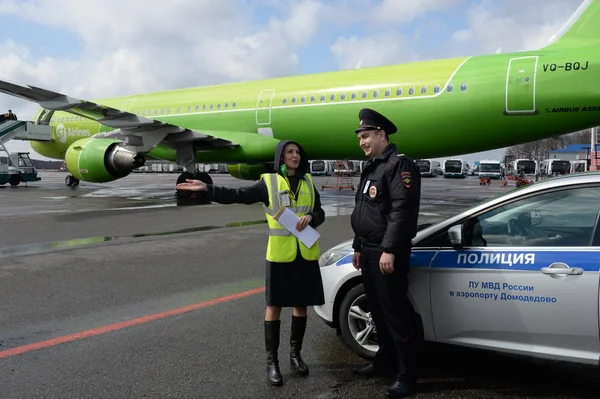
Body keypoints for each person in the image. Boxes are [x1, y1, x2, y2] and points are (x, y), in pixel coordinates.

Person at [176, 140, 326, 386]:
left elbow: (320, 212)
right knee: (275, 306)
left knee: (301, 306)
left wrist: (312, 217)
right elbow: (239, 195)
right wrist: (208, 189)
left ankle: (295, 356)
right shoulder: (269, 182)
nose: (295, 156)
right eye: (290, 152)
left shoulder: (309, 181)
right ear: (281, 156)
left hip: (305, 253)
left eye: (298, 152)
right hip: (280, 255)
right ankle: (272, 363)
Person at [350, 108, 422, 398]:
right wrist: (357, 246)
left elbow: (401, 212)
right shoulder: (373, 166)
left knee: (395, 314)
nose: (362, 142)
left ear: (382, 134)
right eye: (360, 137)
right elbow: (364, 210)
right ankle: (385, 360)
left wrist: (390, 249)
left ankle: (408, 374)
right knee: (377, 312)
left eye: (366, 136)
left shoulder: (399, 166)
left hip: (385, 252)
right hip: (368, 251)